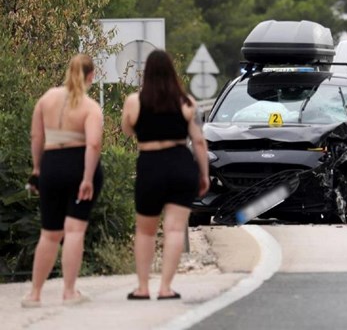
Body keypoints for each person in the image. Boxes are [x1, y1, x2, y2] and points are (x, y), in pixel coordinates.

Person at [121, 50, 209, 300]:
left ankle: (142, 287)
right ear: (172, 72)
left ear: (146, 73)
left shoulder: (134, 101)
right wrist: (204, 174)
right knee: (174, 230)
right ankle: (165, 288)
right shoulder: (187, 102)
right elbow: (200, 143)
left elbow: (127, 130)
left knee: (145, 231)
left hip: (150, 166)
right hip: (181, 165)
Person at [22, 54, 104, 307]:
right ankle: (69, 292)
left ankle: (35, 294)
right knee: (74, 230)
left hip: (51, 166)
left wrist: (37, 169)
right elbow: (92, 144)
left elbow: (36, 137)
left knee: (49, 233)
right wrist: (88, 178)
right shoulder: (90, 107)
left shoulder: (46, 99)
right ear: (91, 76)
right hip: (79, 165)